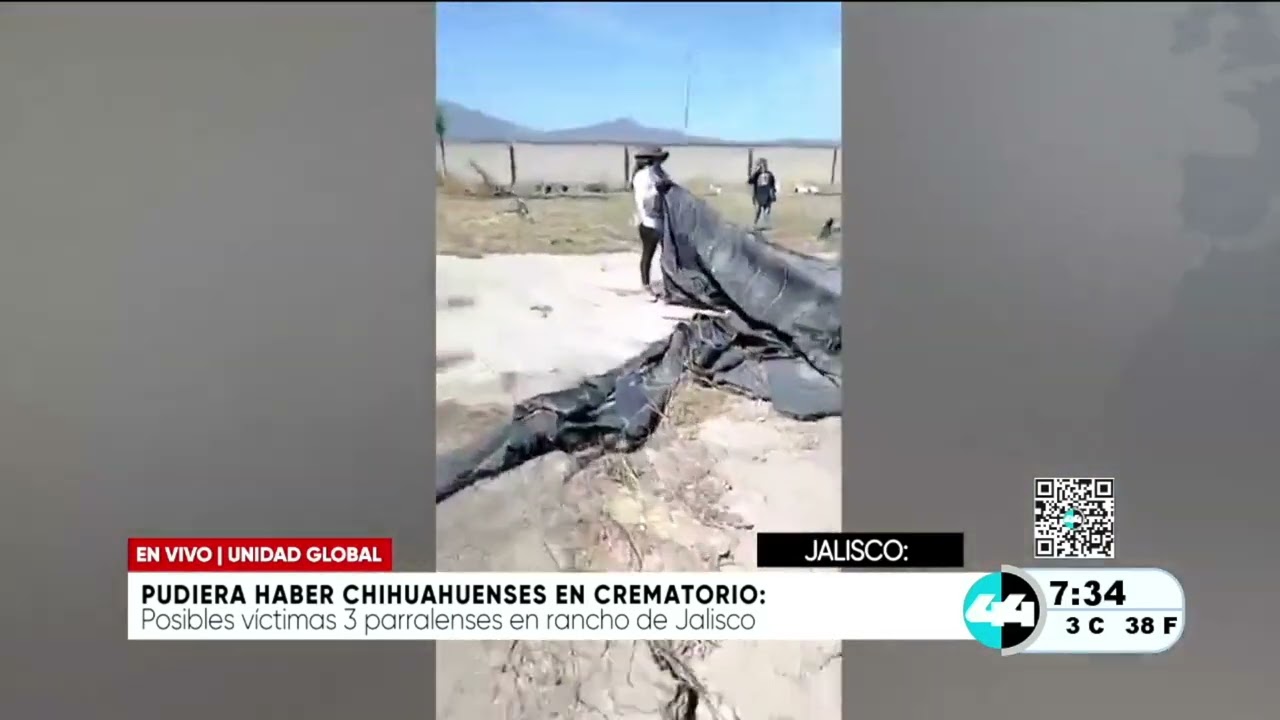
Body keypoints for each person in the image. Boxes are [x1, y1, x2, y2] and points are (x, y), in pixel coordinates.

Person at [631, 145, 674, 299]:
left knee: (667, 255)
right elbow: (644, 200)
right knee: (648, 254)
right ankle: (646, 285)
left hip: (663, 221)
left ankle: (669, 286)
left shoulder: (660, 173)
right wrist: (658, 190)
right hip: (648, 222)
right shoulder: (642, 176)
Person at [748, 157, 777, 227]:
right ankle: (756, 224)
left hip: (765, 195)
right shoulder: (757, 174)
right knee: (759, 211)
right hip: (759, 195)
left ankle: (764, 224)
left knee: (765, 210)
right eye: (761, 165)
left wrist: (773, 194)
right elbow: (750, 181)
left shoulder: (769, 174)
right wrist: (754, 172)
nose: (763, 166)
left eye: (764, 164)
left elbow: (772, 185)